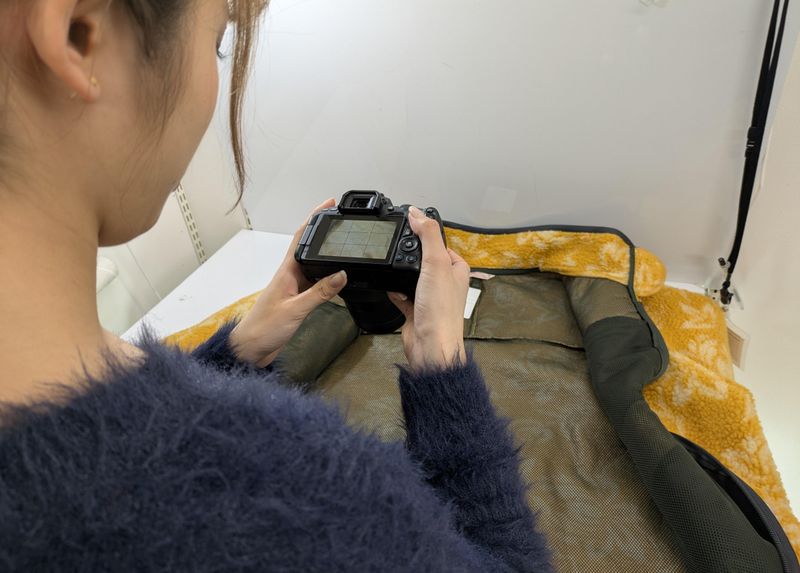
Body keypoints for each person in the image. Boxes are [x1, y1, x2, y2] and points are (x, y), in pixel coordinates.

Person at [0, 0, 551, 570]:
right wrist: (442, 371)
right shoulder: (308, 494)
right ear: (77, 33)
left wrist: (230, 357)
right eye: (217, 42)